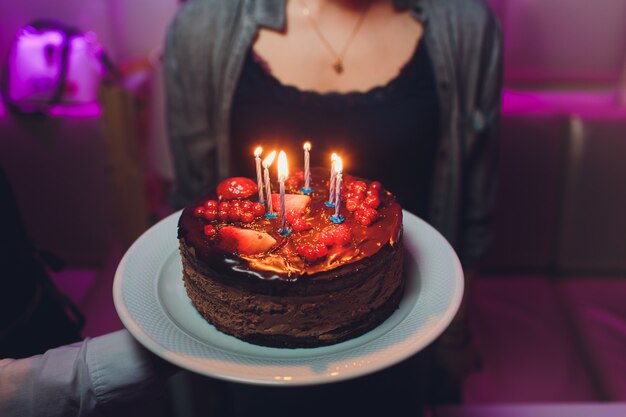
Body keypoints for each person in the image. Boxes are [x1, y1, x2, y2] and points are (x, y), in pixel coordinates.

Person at [164, 0, 502, 414]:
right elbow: (193, 204)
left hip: (403, 334)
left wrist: (455, 336)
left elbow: (473, 209)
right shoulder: (203, 27)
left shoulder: (467, 26)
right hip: (243, 364)